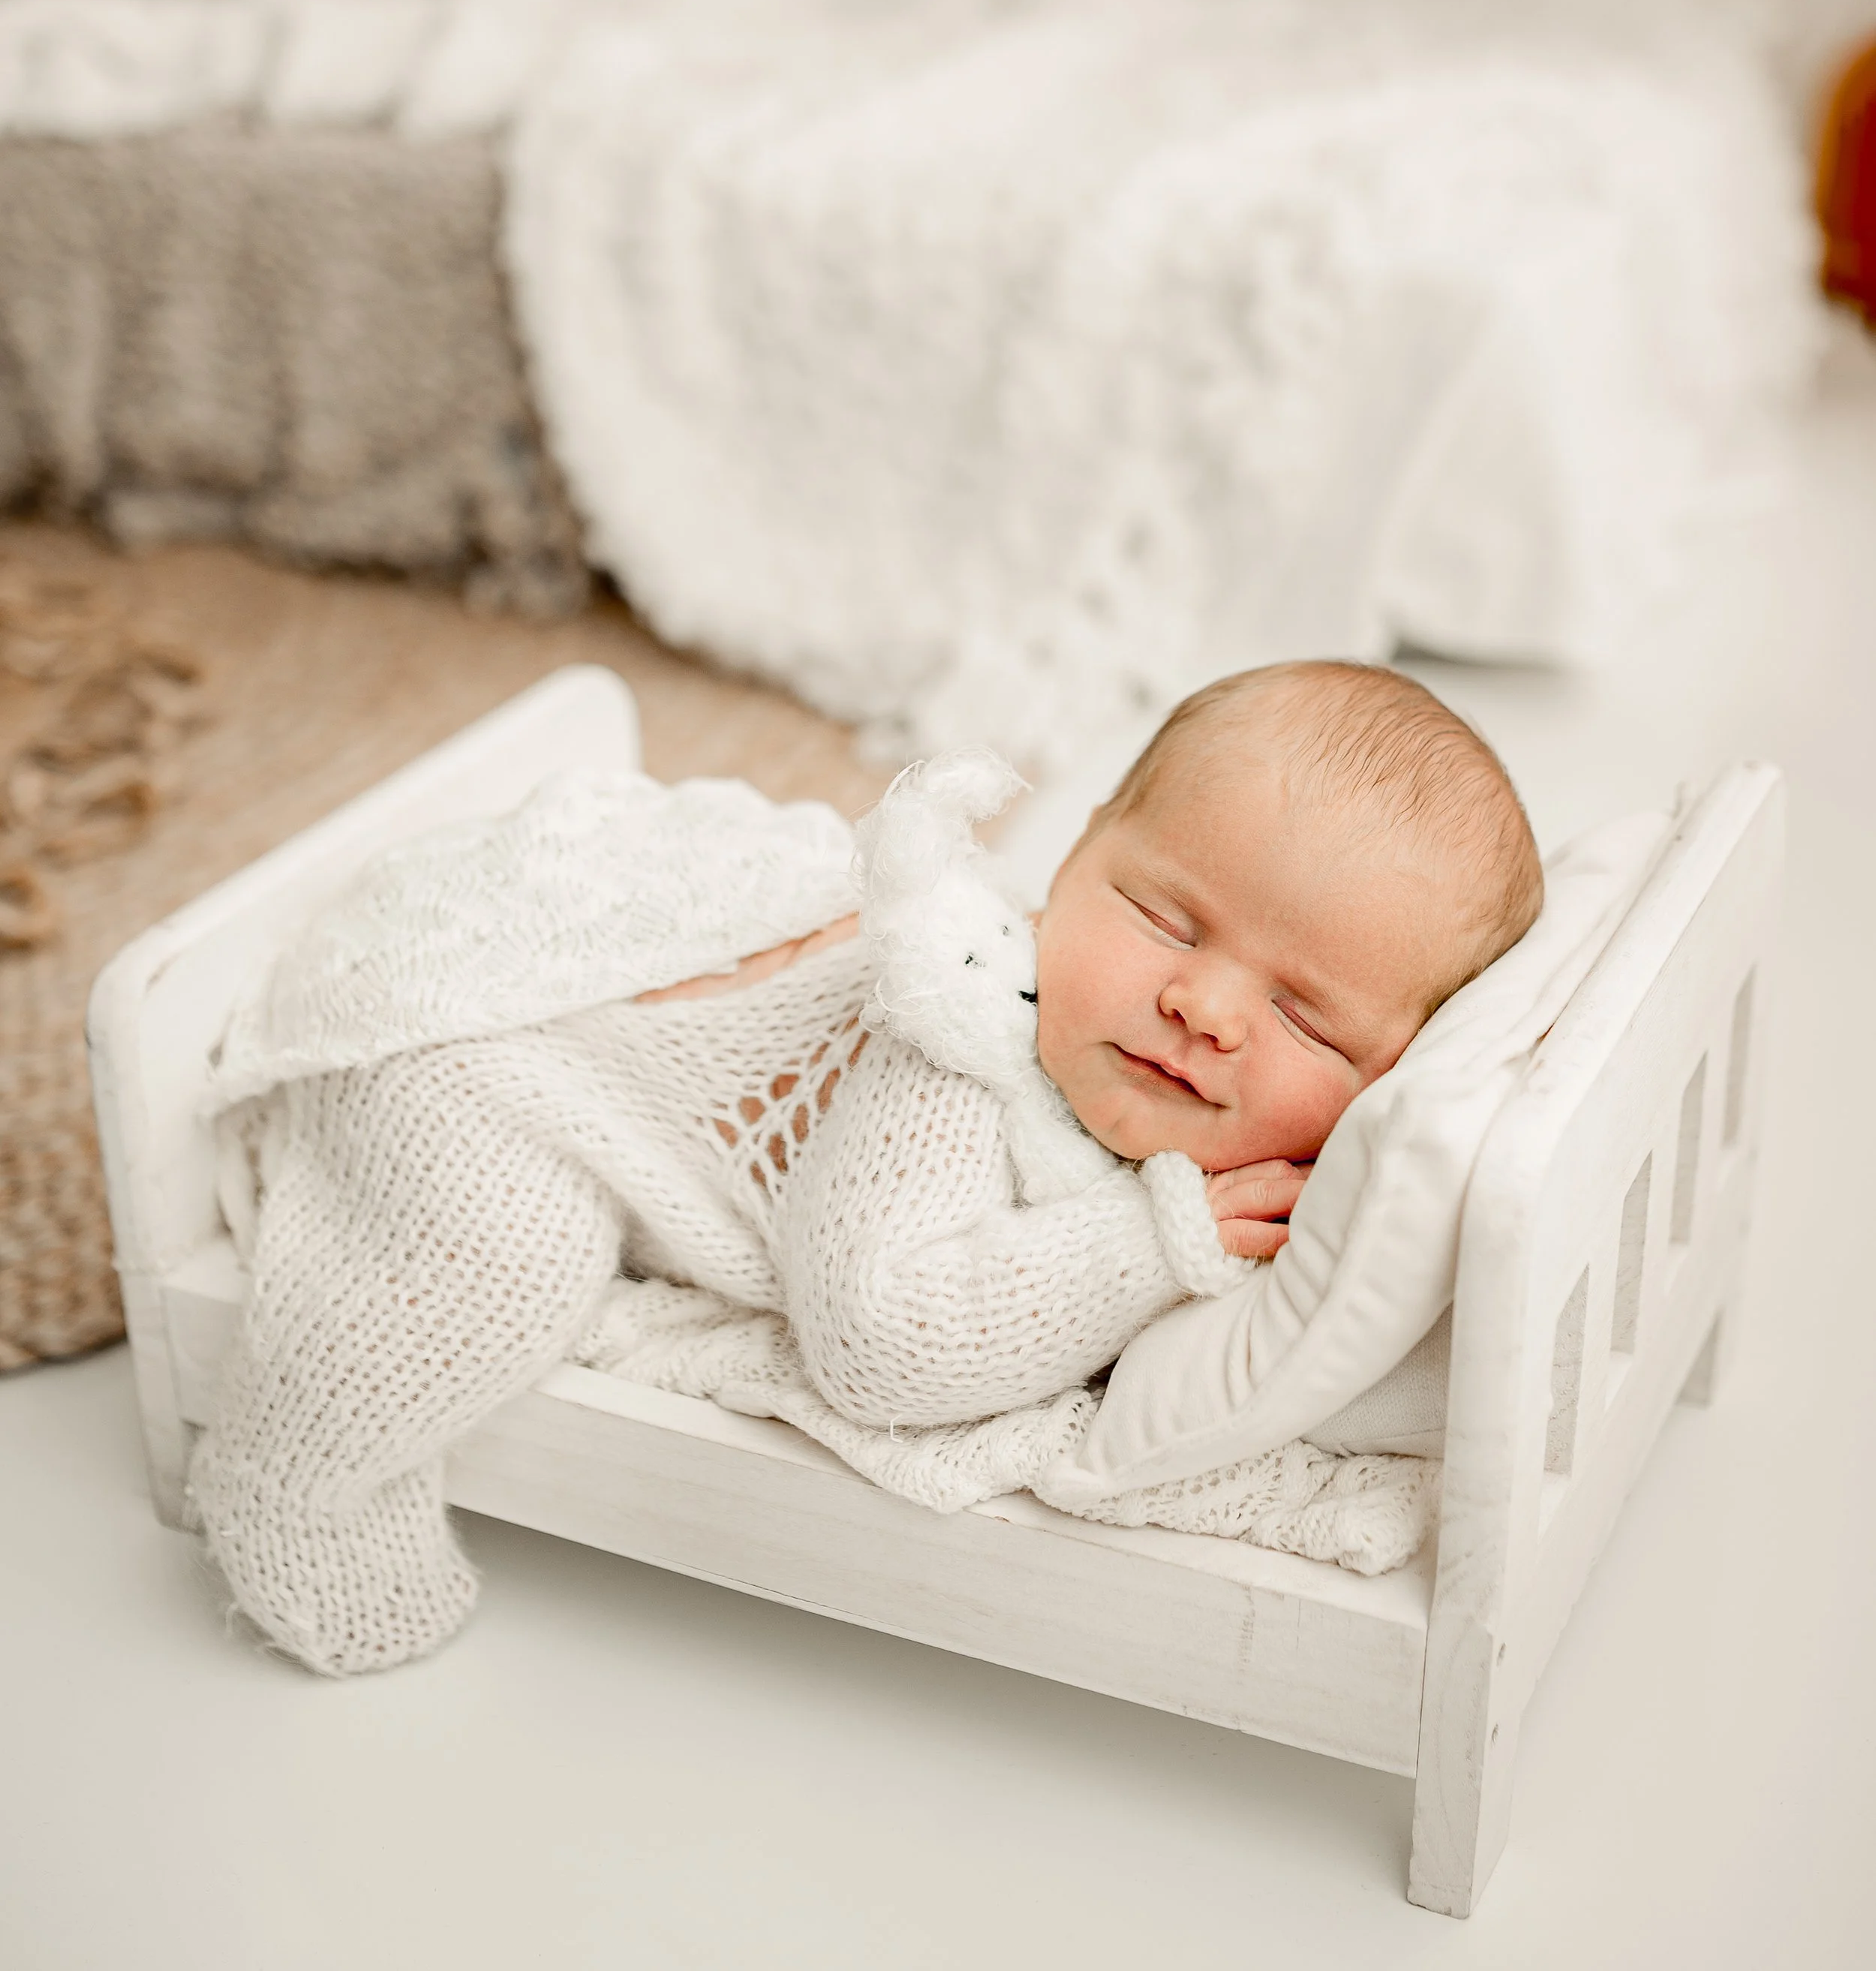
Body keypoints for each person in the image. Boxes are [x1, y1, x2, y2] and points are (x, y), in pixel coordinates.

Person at [193, 661, 1541, 1669]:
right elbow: (880, 1344)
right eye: (1162, 915)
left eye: (1306, 1016)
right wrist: (1147, 1245)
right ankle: (291, 1483)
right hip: (498, 1055)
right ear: (1068, 865)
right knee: (496, 1259)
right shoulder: (952, 1046)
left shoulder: (1193, 1091)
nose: (1208, 1006)